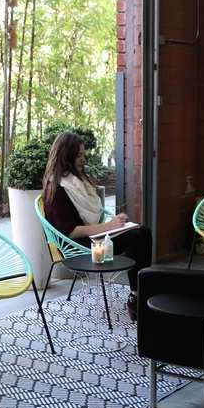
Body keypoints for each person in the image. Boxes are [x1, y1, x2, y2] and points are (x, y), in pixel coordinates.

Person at [42, 131, 152, 320]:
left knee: (142, 232)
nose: (83, 159)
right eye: (78, 155)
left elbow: (92, 218)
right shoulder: (58, 188)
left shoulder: (77, 181)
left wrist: (115, 224)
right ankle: (137, 297)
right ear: (66, 157)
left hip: (93, 237)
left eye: (83, 154)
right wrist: (110, 226)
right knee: (139, 237)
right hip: (79, 246)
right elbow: (70, 232)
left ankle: (138, 294)